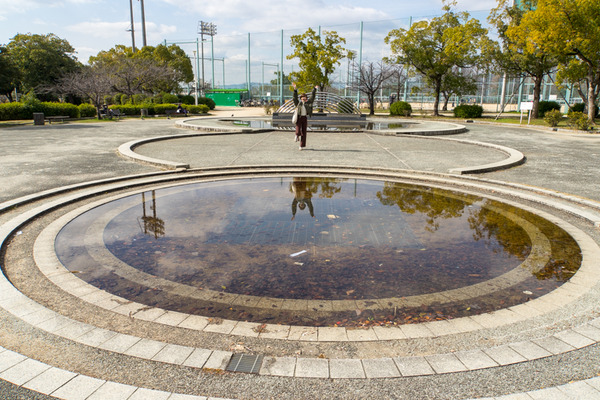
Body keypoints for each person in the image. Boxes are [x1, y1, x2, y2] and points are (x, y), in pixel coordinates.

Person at [292, 83, 318, 150]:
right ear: (301, 98)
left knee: (304, 132)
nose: (303, 98)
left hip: (304, 118)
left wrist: (314, 89)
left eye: (304, 97)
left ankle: (301, 145)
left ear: (306, 98)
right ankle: (297, 135)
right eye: (302, 97)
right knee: (298, 129)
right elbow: (294, 98)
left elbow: (312, 97)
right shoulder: (298, 103)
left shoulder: (308, 103)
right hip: (299, 117)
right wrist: (295, 89)